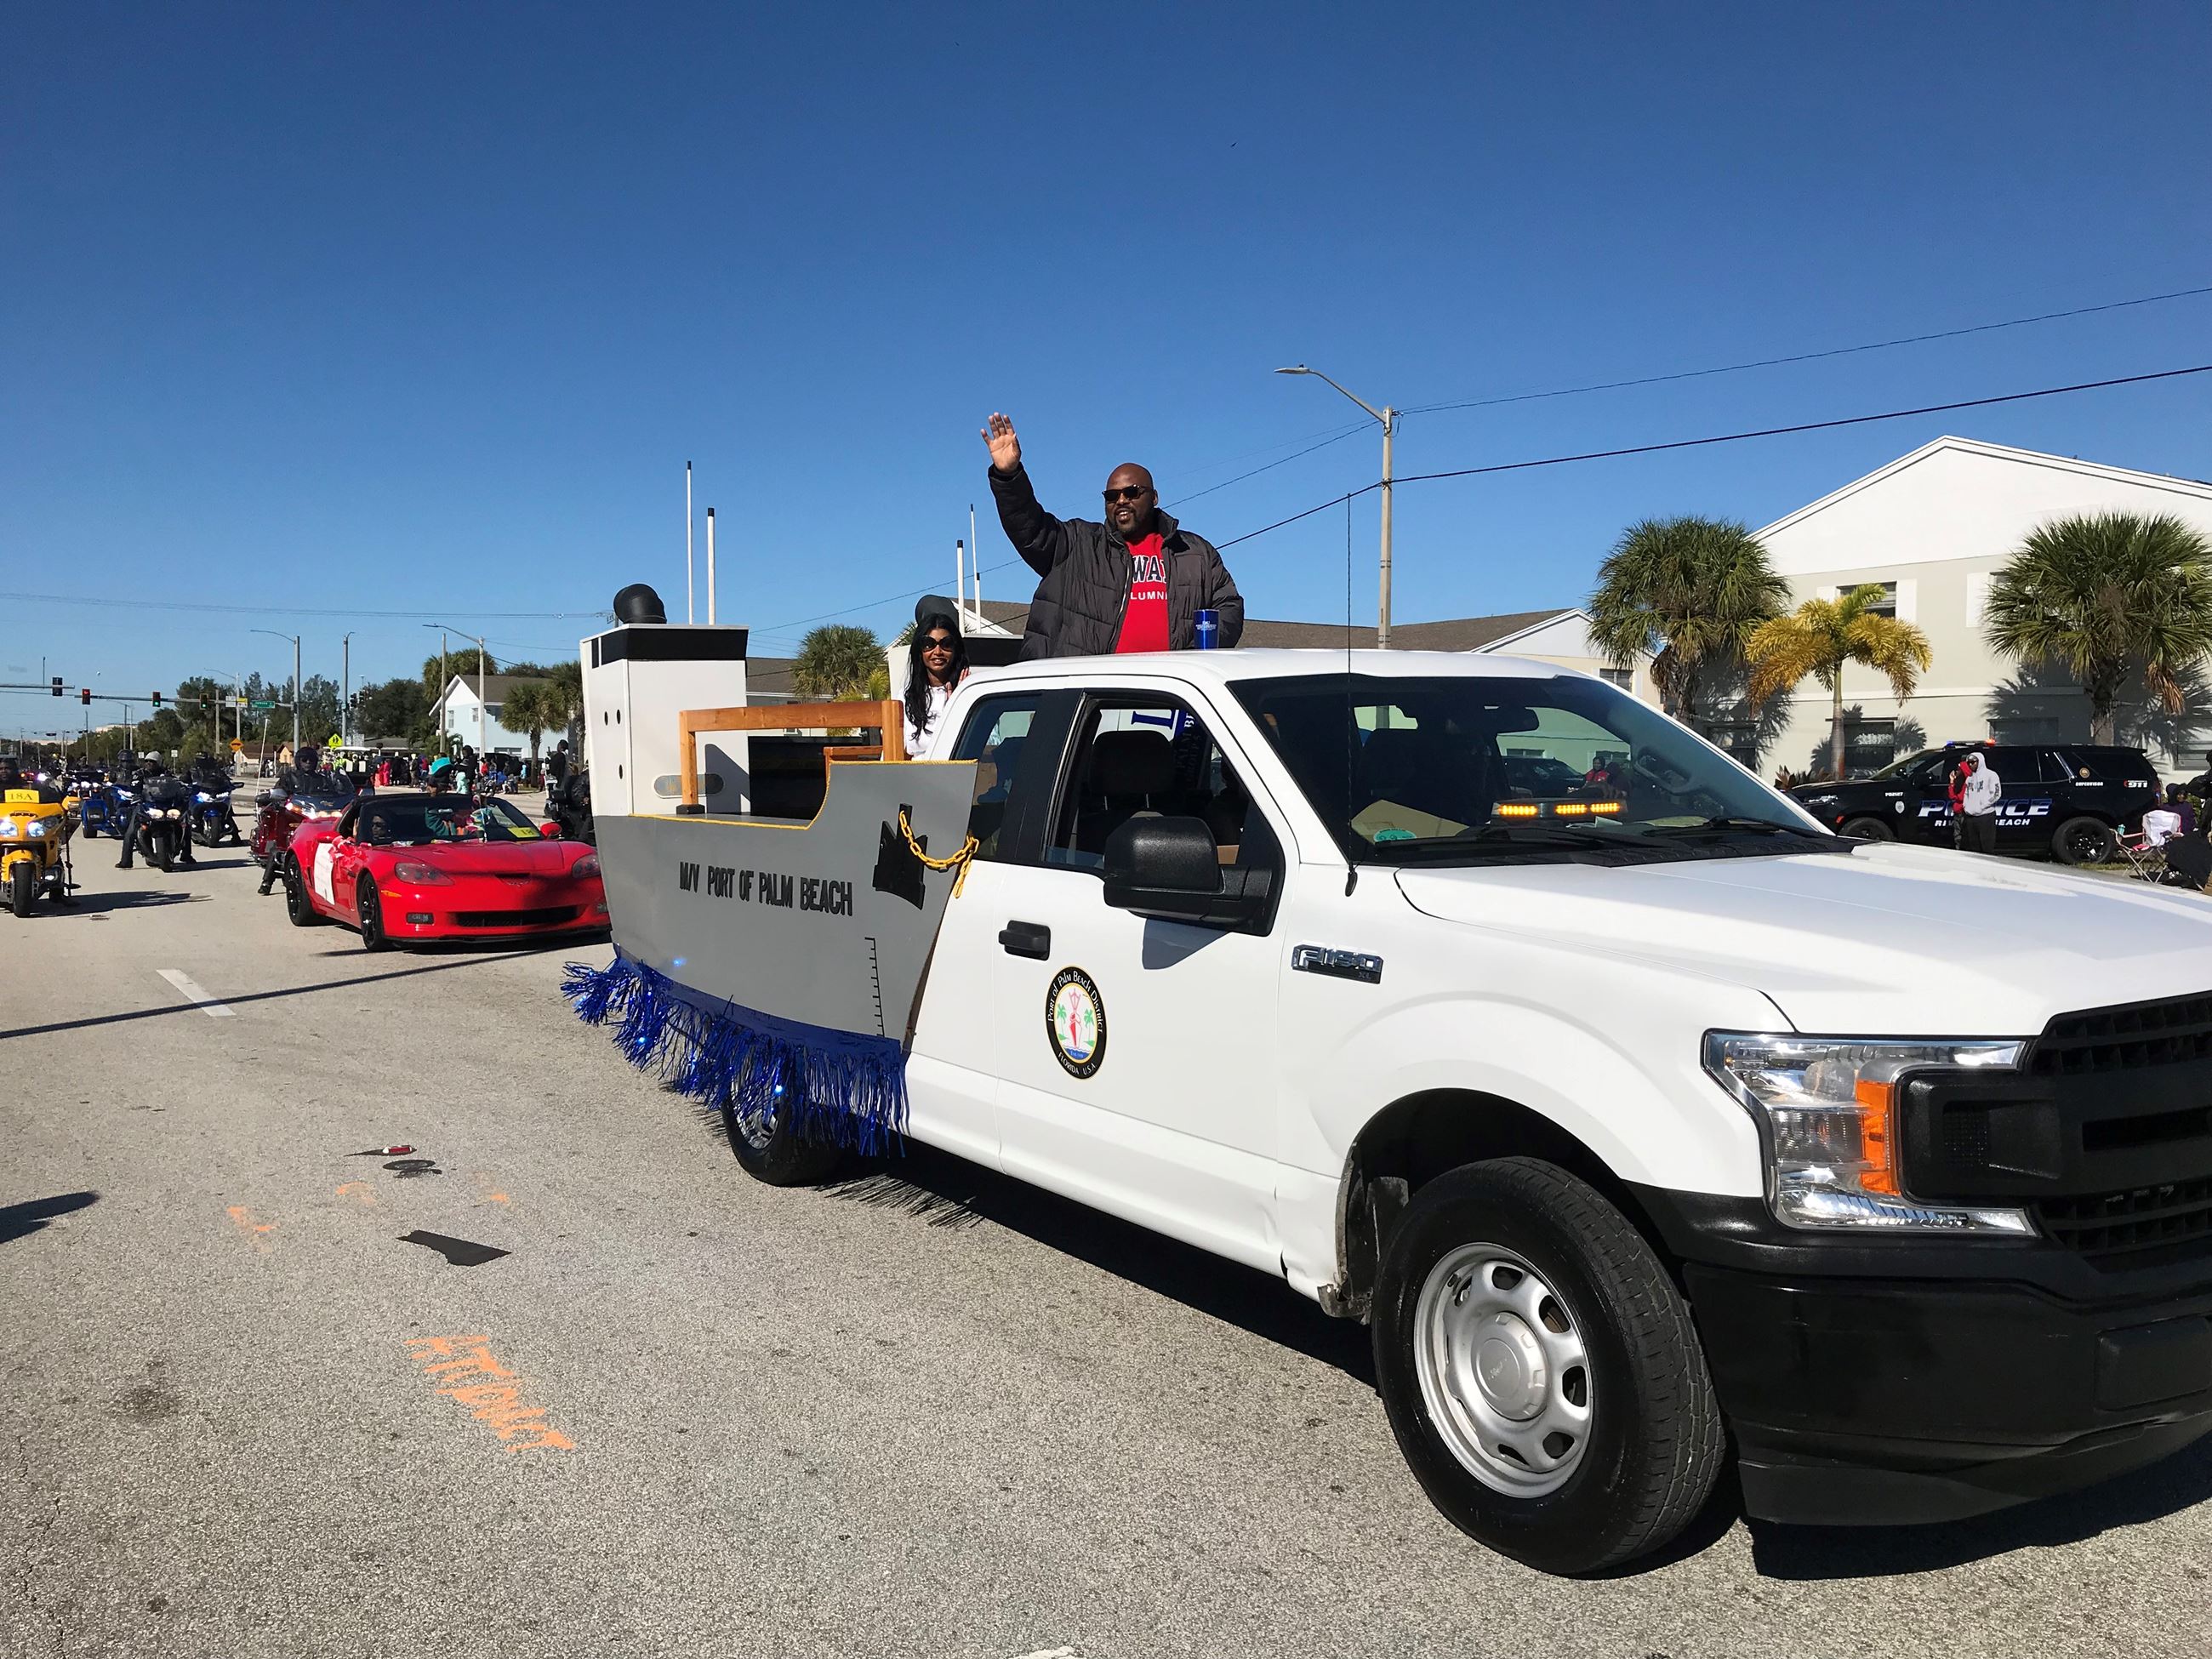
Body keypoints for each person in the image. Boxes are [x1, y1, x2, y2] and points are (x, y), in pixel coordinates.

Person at [982, 411, 1243, 659]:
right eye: (1111, 496)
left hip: (1168, 686)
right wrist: (1009, 476)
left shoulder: (1194, 553)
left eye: (1132, 492)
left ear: (1154, 497)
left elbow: (1228, 607)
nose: (1121, 501)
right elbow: (1029, 528)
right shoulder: (1077, 544)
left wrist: (1193, 658)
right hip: (1093, 687)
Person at [904, 596, 972, 752]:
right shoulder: (907, 697)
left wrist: (958, 705)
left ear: (956, 649)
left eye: (946, 644)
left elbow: (985, 745)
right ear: (919, 650)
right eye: (928, 644)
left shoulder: (970, 692)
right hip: (916, 767)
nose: (938, 652)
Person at [1958, 750, 2001, 854]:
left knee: (1986, 848)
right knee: (1974, 849)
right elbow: (1966, 794)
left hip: (1986, 816)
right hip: (1971, 817)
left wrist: (1982, 805)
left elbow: (1996, 794)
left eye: (1973, 762)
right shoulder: (1969, 778)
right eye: (1969, 763)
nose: (1971, 765)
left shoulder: (1991, 775)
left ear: (1980, 761)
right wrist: (1966, 806)